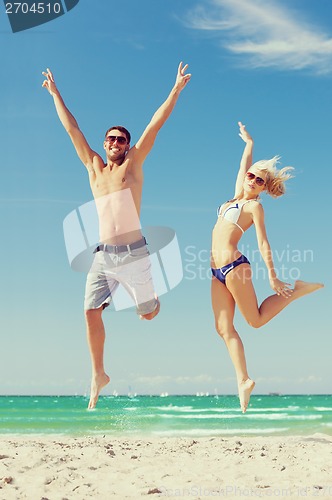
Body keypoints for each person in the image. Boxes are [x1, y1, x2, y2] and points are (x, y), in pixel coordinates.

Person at [42, 63, 191, 409]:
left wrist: (176, 90)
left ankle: (151, 301)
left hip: (134, 254)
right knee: (90, 311)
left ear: (126, 145)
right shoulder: (94, 167)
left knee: (148, 314)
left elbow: (156, 124)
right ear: (104, 142)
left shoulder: (133, 165)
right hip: (103, 255)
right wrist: (55, 93)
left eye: (121, 139)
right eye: (110, 138)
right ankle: (98, 374)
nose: (115, 143)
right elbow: (71, 129)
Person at [211, 121, 323, 413]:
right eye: (251, 176)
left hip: (235, 267)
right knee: (223, 328)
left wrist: (272, 276)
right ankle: (243, 380)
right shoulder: (235, 197)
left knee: (256, 321)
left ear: (263, 187)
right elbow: (242, 166)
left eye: (259, 180)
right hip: (215, 271)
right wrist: (249, 143)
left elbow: (263, 242)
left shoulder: (254, 207)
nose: (252, 180)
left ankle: (295, 291)